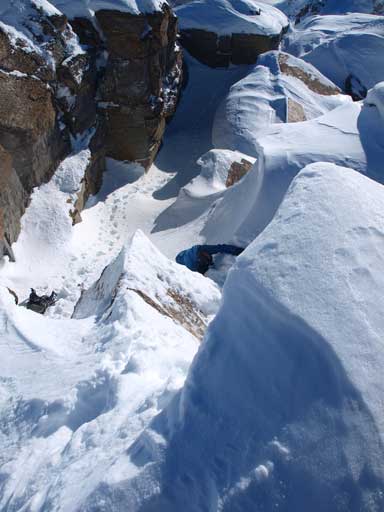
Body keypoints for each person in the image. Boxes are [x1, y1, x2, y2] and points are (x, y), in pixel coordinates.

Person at [176, 244, 244, 274]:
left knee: (206, 272)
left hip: (200, 256)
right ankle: (237, 250)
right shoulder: (187, 253)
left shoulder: (189, 265)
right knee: (219, 248)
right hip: (199, 249)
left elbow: (197, 274)